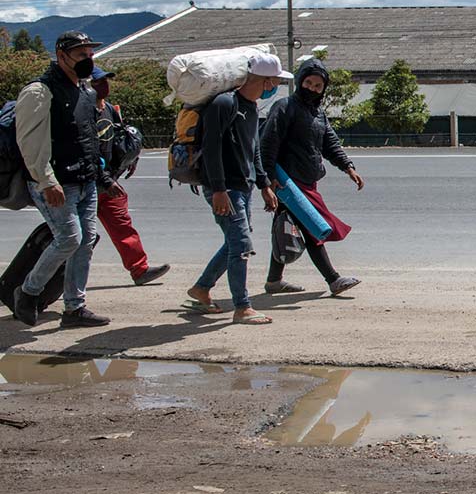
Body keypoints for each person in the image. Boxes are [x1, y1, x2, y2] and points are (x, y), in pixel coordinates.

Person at [11, 31, 113, 327]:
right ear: (61, 56)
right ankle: (28, 292)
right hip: (55, 182)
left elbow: (89, 139)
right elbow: (29, 142)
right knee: (69, 239)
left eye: (91, 54)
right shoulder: (39, 92)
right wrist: (45, 180)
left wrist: (103, 179)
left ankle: (74, 308)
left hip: (85, 181)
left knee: (85, 243)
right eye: (82, 55)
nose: (89, 60)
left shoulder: (85, 90)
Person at [185, 52, 284, 323]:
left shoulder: (251, 108)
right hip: (224, 188)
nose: (274, 87)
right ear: (263, 80)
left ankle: (202, 288)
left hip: (244, 187)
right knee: (241, 244)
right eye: (274, 81)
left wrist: (264, 184)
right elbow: (211, 147)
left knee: (235, 242)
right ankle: (242, 307)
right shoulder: (223, 104)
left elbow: (254, 150)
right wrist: (218, 189)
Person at [258, 57, 364, 295]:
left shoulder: (318, 114)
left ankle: (274, 280)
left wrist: (348, 167)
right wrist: (268, 178)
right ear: (299, 82)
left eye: (318, 86)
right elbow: (268, 143)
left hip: (308, 180)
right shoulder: (284, 107)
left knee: (287, 228)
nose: (312, 89)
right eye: (308, 83)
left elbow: (330, 144)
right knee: (312, 227)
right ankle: (333, 279)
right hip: (286, 181)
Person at [90, 66, 171, 287]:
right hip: (86, 183)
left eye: (105, 81)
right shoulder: (82, 112)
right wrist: (105, 179)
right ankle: (46, 280)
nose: (103, 86)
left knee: (122, 224)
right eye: (98, 82)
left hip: (108, 183)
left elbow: (120, 136)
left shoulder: (109, 109)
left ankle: (139, 269)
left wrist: (131, 158)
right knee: (72, 237)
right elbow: (84, 150)